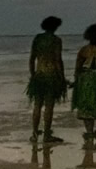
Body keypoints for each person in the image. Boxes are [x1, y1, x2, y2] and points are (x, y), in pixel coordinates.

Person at [26, 15, 67, 144]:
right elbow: (58, 60)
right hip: (51, 76)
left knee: (37, 105)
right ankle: (46, 135)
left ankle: (34, 134)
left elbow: (32, 59)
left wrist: (33, 75)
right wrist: (62, 77)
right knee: (49, 106)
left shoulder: (37, 38)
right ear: (55, 27)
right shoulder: (56, 40)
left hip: (39, 75)